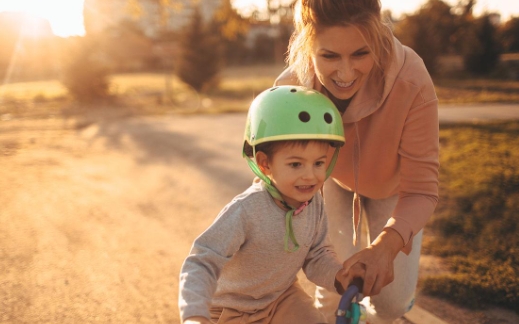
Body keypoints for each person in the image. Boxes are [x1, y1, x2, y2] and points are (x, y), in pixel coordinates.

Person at [274, 0, 440, 323]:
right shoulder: (290, 89)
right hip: (334, 181)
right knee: (334, 290)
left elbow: (422, 190)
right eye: (329, 56)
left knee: (390, 303)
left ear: (377, 38)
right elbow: (272, 178)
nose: (346, 73)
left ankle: (387, 308)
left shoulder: (413, 81)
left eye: (360, 54)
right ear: (309, 46)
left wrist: (385, 248)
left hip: (393, 186)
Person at [178, 85, 353, 324]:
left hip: (282, 298)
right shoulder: (246, 210)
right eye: (295, 164)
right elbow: (202, 261)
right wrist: (194, 315)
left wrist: (339, 275)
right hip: (231, 308)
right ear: (264, 164)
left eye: (319, 163)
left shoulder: (314, 203)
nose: (310, 176)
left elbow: (317, 254)